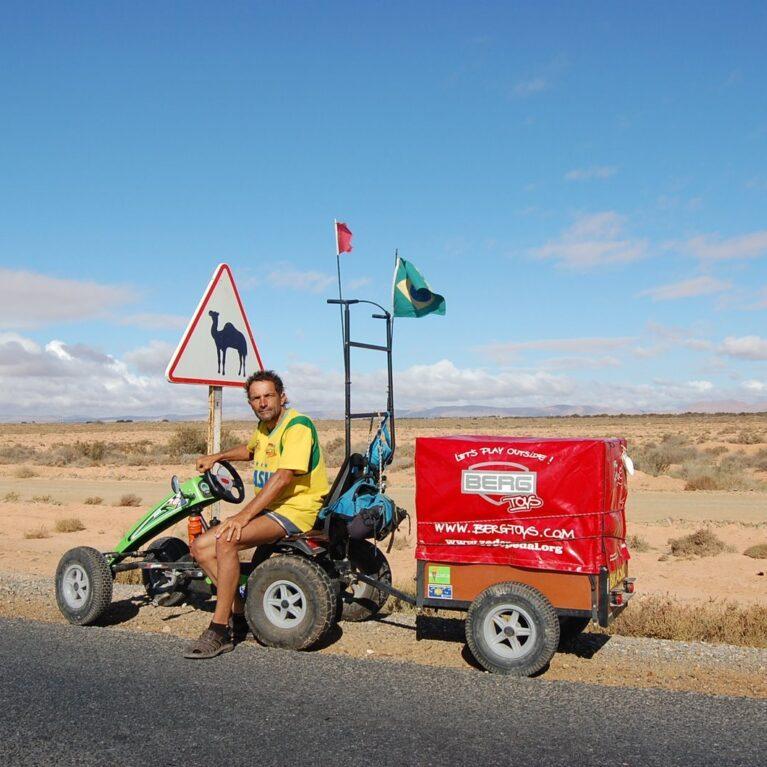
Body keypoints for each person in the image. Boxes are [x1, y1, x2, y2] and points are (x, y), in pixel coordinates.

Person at [183, 370, 329, 659]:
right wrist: (218, 456)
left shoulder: (296, 426)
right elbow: (250, 450)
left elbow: (284, 477)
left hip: (295, 510)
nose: (263, 403)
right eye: (256, 398)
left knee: (227, 539)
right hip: (272, 509)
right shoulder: (265, 428)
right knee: (200, 547)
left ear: (282, 397)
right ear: (250, 403)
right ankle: (240, 612)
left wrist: (243, 516)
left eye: (268, 396)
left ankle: (220, 629)